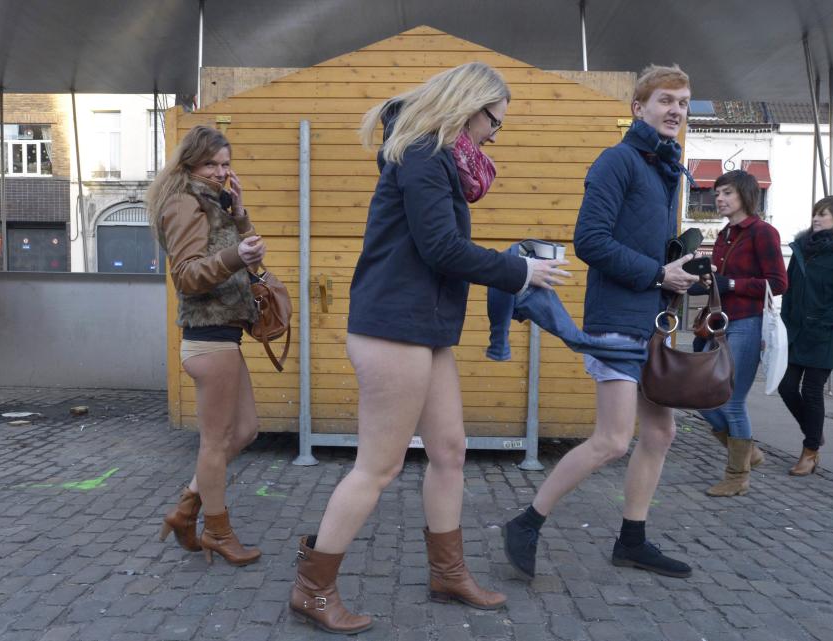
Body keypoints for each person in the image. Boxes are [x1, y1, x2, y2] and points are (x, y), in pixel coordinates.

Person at [287, 62, 570, 635]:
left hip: (423, 327)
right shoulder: (422, 152)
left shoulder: (433, 154)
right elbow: (442, 247)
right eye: (495, 121)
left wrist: (513, 267)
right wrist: (520, 271)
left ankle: (447, 573)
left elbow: (441, 246)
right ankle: (311, 590)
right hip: (394, 325)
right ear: (470, 106)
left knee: (449, 450)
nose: (496, 133)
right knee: (378, 465)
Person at [503, 64, 701, 581]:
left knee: (659, 432)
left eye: (682, 101)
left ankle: (632, 540)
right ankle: (526, 522)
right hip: (618, 320)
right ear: (638, 108)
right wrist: (659, 270)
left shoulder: (665, 168)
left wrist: (680, 268)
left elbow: (642, 244)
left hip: (651, 320)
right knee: (613, 439)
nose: (675, 109)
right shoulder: (618, 161)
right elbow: (590, 241)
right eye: (664, 100)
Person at [147, 125, 267, 566]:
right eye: (210, 164)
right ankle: (216, 530)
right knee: (215, 443)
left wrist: (240, 218)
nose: (220, 172)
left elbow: (243, 252)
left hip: (226, 335)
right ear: (190, 165)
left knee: (246, 430)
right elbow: (187, 276)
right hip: (207, 335)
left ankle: (185, 510)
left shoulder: (216, 202)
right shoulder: (183, 202)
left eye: (224, 163)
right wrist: (238, 255)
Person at [690, 170, 786, 496]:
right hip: (719, 324)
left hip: (747, 323)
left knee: (732, 403)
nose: (719, 199)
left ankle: (737, 476)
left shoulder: (763, 233)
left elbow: (779, 283)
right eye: (717, 193)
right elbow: (721, 282)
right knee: (699, 396)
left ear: (745, 195)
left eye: (727, 193)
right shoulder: (724, 235)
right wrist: (706, 282)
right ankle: (747, 452)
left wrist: (730, 283)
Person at [779, 195, 833, 475]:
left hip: (824, 335)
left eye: (823, 214)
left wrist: (821, 324)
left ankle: (810, 450)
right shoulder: (802, 248)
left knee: (811, 392)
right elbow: (789, 290)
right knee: (786, 387)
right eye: (816, 213)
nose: (816, 218)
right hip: (796, 332)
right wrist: (784, 324)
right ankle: (814, 432)